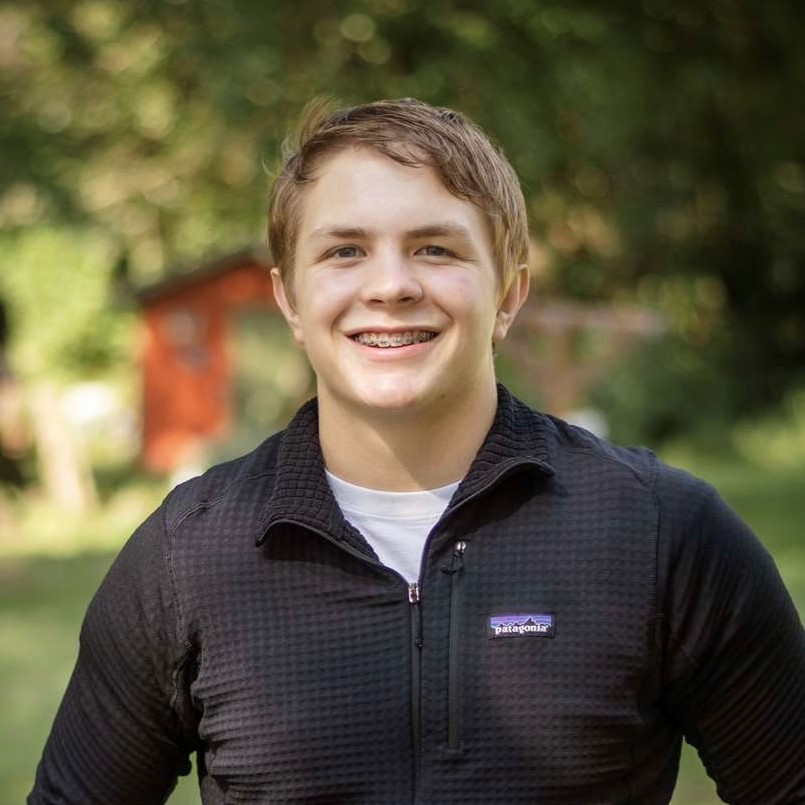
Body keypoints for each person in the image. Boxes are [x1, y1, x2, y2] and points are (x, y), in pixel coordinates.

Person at [30, 98, 805, 805]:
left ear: (509, 292)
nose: (391, 285)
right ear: (290, 301)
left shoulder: (662, 531)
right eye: (344, 252)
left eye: (435, 249)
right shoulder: (188, 554)